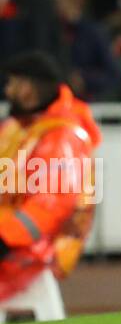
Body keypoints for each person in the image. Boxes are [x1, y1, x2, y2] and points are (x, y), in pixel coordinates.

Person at [0, 51, 101, 304]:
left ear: (28, 89)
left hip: (40, 245)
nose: (7, 90)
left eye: (13, 83)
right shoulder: (20, 127)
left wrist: (5, 238)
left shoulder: (62, 135)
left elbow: (53, 204)